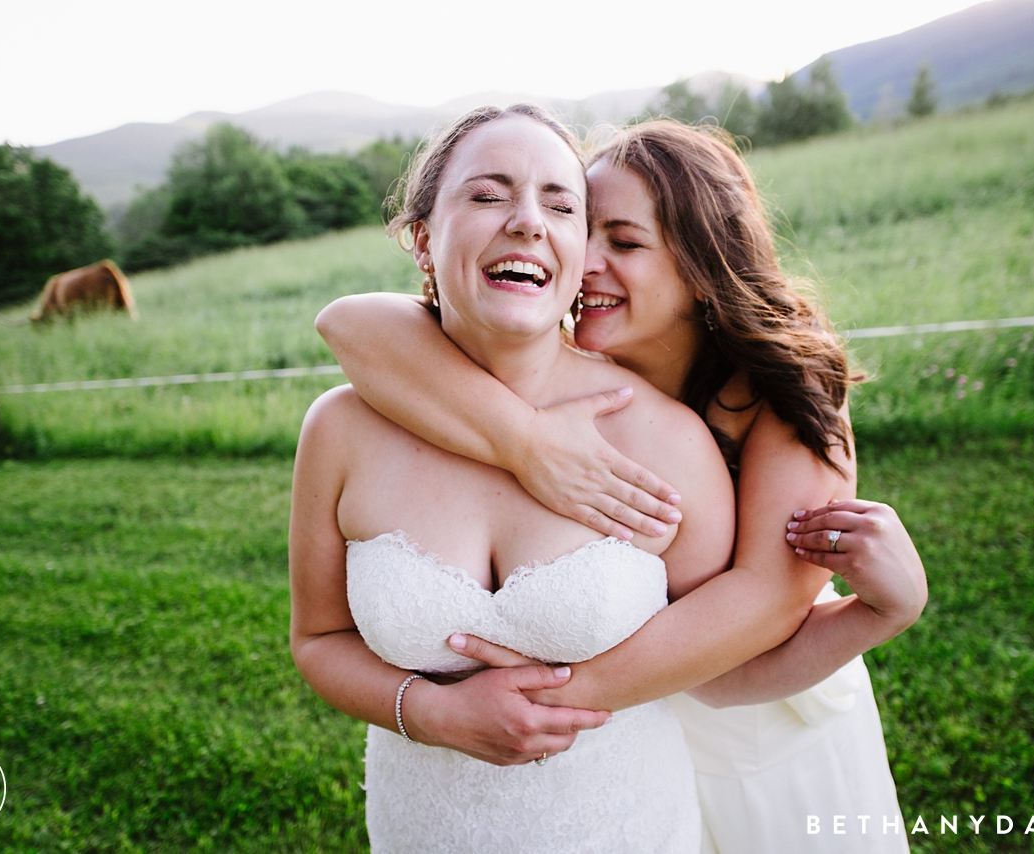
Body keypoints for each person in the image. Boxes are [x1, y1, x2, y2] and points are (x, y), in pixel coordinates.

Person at [316, 119, 928, 852]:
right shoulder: (555, 349)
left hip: (752, 709)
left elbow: (767, 599)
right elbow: (351, 323)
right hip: (627, 725)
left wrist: (543, 704)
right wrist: (529, 442)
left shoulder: (782, 384)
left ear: (701, 267)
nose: (584, 261)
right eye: (589, 229)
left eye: (625, 243)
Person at [290, 105, 739, 853]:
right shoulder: (340, 430)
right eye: (489, 195)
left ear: (578, 251)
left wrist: (875, 613)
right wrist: (429, 714)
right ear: (425, 241)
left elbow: (728, 649)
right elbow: (319, 639)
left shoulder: (664, 439)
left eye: (562, 206)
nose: (529, 222)